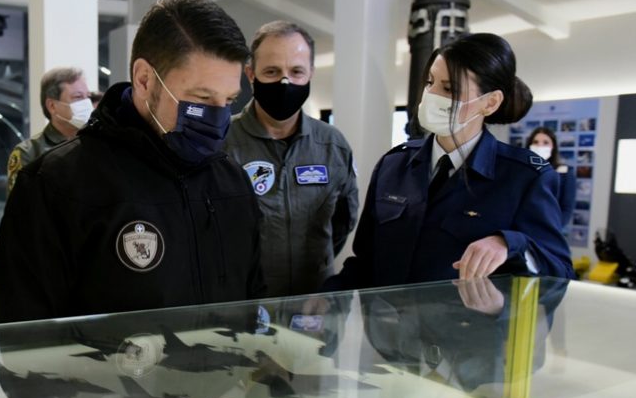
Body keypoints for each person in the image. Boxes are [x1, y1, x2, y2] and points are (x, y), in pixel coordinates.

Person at [0, 0, 265, 324]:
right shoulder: (55, 187)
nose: (218, 116)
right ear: (144, 79)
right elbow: (24, 337)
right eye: (202, 98)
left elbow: (252, 308)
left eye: (229, 101)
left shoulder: (233, 184)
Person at [327, 32, 574, 291]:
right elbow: (364, 262)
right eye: (430, 82)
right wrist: (323, 299)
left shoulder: (524, 178)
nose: (431, 95)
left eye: (449, 89)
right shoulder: (393, 165)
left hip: (466, 317)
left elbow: (559, 271)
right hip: (386, 316)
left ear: (490, 103)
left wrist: (510, 244)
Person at [224, 21, 359, 295]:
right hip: (243, 302)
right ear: (251, 74)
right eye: (272, 71)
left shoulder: (333, 146)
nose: (285, 82)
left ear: (310, 73)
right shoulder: (222, 143)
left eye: (296, 71)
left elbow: (343, 222)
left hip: (315, 301)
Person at [6, 67, 92, 196]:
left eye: (88, 97)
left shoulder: (95, 145)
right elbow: (19, 204)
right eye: (78, 97)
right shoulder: (29, 152)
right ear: (52, 106)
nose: (86, 104)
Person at [527, 126, 576, 230]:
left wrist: (553, 230)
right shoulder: (522, 170)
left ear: (553, 146)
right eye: (535, 142)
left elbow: (567, 208)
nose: (540, 146)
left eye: (545, 142)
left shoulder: (565, 172)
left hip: (550, 229)